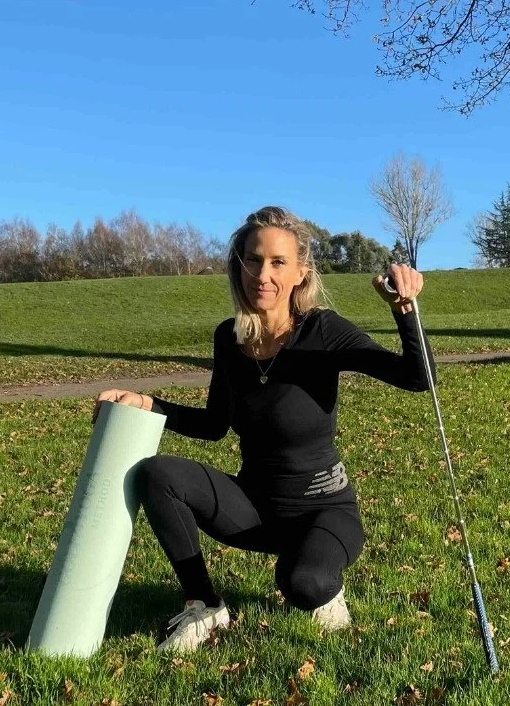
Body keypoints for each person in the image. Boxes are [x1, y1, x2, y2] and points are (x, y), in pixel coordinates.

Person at [91, 205, 436, 652]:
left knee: (302, 583)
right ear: (238, 266)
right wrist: (147, 403)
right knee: (158, 474)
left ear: (300, 274)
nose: (262, 274)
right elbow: (214, 425)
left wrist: (404, 310)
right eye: (253, 260)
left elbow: (418, 377)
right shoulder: (229, 339)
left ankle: (324, 587)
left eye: (278, 262)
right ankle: (205, 606)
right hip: (255, 509)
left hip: (324, 512)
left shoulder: (323, 331)